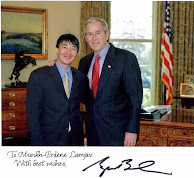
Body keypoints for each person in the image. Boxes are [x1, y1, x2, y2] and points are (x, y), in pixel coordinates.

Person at [46, 17, 143, 146]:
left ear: (107, 34)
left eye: (98, 33)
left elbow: (135, 97)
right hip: (92, 132)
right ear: (86, 38)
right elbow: (79, 94)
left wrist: (132, 130)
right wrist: (57, 66)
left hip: (118, 133)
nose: (94, 38)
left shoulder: (126, 58)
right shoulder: (84, 62)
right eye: (90, 34)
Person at [26, 34, 85, 146]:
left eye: (73, 48)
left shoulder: (79, 76)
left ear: (76, 53)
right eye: (65, 47)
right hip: (49, 140)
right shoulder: (39, 76)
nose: (68, 52)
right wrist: (38, 144)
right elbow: (32, 114)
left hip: (75, 140)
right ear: (57, 50)